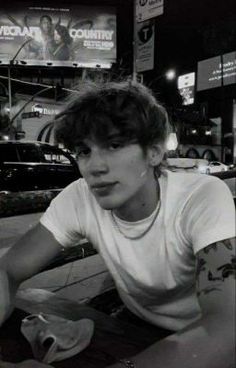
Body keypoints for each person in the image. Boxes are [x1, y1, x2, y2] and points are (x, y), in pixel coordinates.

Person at [0, 80, 235, 368]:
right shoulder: (79, 197)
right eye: (83, 150)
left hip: (205, 338)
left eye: (113, 145)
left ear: (154, 152)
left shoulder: (202, 196)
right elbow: (8, 269)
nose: (94, 167)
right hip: (137, 325)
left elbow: (227, 326)